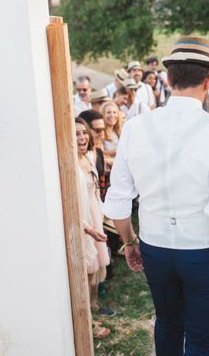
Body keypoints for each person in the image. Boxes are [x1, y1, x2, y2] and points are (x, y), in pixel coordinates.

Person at [104, 36, 209, 356]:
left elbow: (118, 198)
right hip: (203, 251)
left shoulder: (135, 128)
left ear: (168, 78)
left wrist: (128, 242)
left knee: (167, 323)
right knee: (202, 339)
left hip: (155, 247)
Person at [75, 117, 114, 322]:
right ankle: (87, 316)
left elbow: (97, 190)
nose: (81, 137)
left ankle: (94, 304)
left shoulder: (89, 158)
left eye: (83, 132)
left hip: (95, 212)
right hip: (84, 217)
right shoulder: (71, 165)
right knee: (89, 263)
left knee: (99, 261)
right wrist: (88, 225)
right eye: (76, 134)